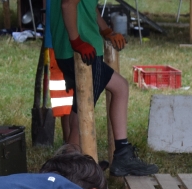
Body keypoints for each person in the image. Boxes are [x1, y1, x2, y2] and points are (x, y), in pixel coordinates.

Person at [50, 0, 158, 176]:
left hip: (70, 51)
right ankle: (70, 166)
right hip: (81, 52)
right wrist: (76, 41)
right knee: (91, 106)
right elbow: (68, 4)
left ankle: (77, 161)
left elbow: (89, 6)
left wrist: (106, 30)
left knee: (84, 105)